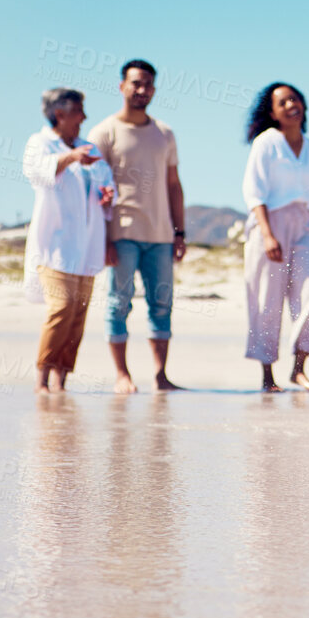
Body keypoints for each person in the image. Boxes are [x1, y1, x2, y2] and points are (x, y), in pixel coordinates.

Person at [88, 59, 186, 394]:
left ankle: (161, 376)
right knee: (119, 303)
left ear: (154, 89)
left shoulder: (164, 133)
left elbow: (174, 184)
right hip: (122, 232)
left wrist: (180, 232)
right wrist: (104, 239)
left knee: (162, 304)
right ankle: (122, 375)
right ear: (121, 86)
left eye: (148, 84)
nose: (141, 90)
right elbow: (93, 191)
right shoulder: (103, 133)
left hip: (160, 234)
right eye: (135, 83)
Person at [22, 88, 115, 393]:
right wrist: (72, 157)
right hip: (56, 246)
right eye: (78, 111)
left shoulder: (89, 148)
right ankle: (41, 379)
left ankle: (61, 379)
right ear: (59, 114)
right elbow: (36, 173)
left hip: (87, 245)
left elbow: (104, 183)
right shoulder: (40, 143)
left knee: (77, 315)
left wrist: (106, 196)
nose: (84, 118)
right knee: (61, 308)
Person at [244, 81, 309, 392]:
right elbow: (254, 193)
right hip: (270, 224)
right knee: (267, 300)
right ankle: (267, 376)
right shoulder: (266, 143)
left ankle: (299, 368)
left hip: (305, 226)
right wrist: (267, 235)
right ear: (273, 112)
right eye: (283, 102)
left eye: (295, 99)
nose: (291, 105)